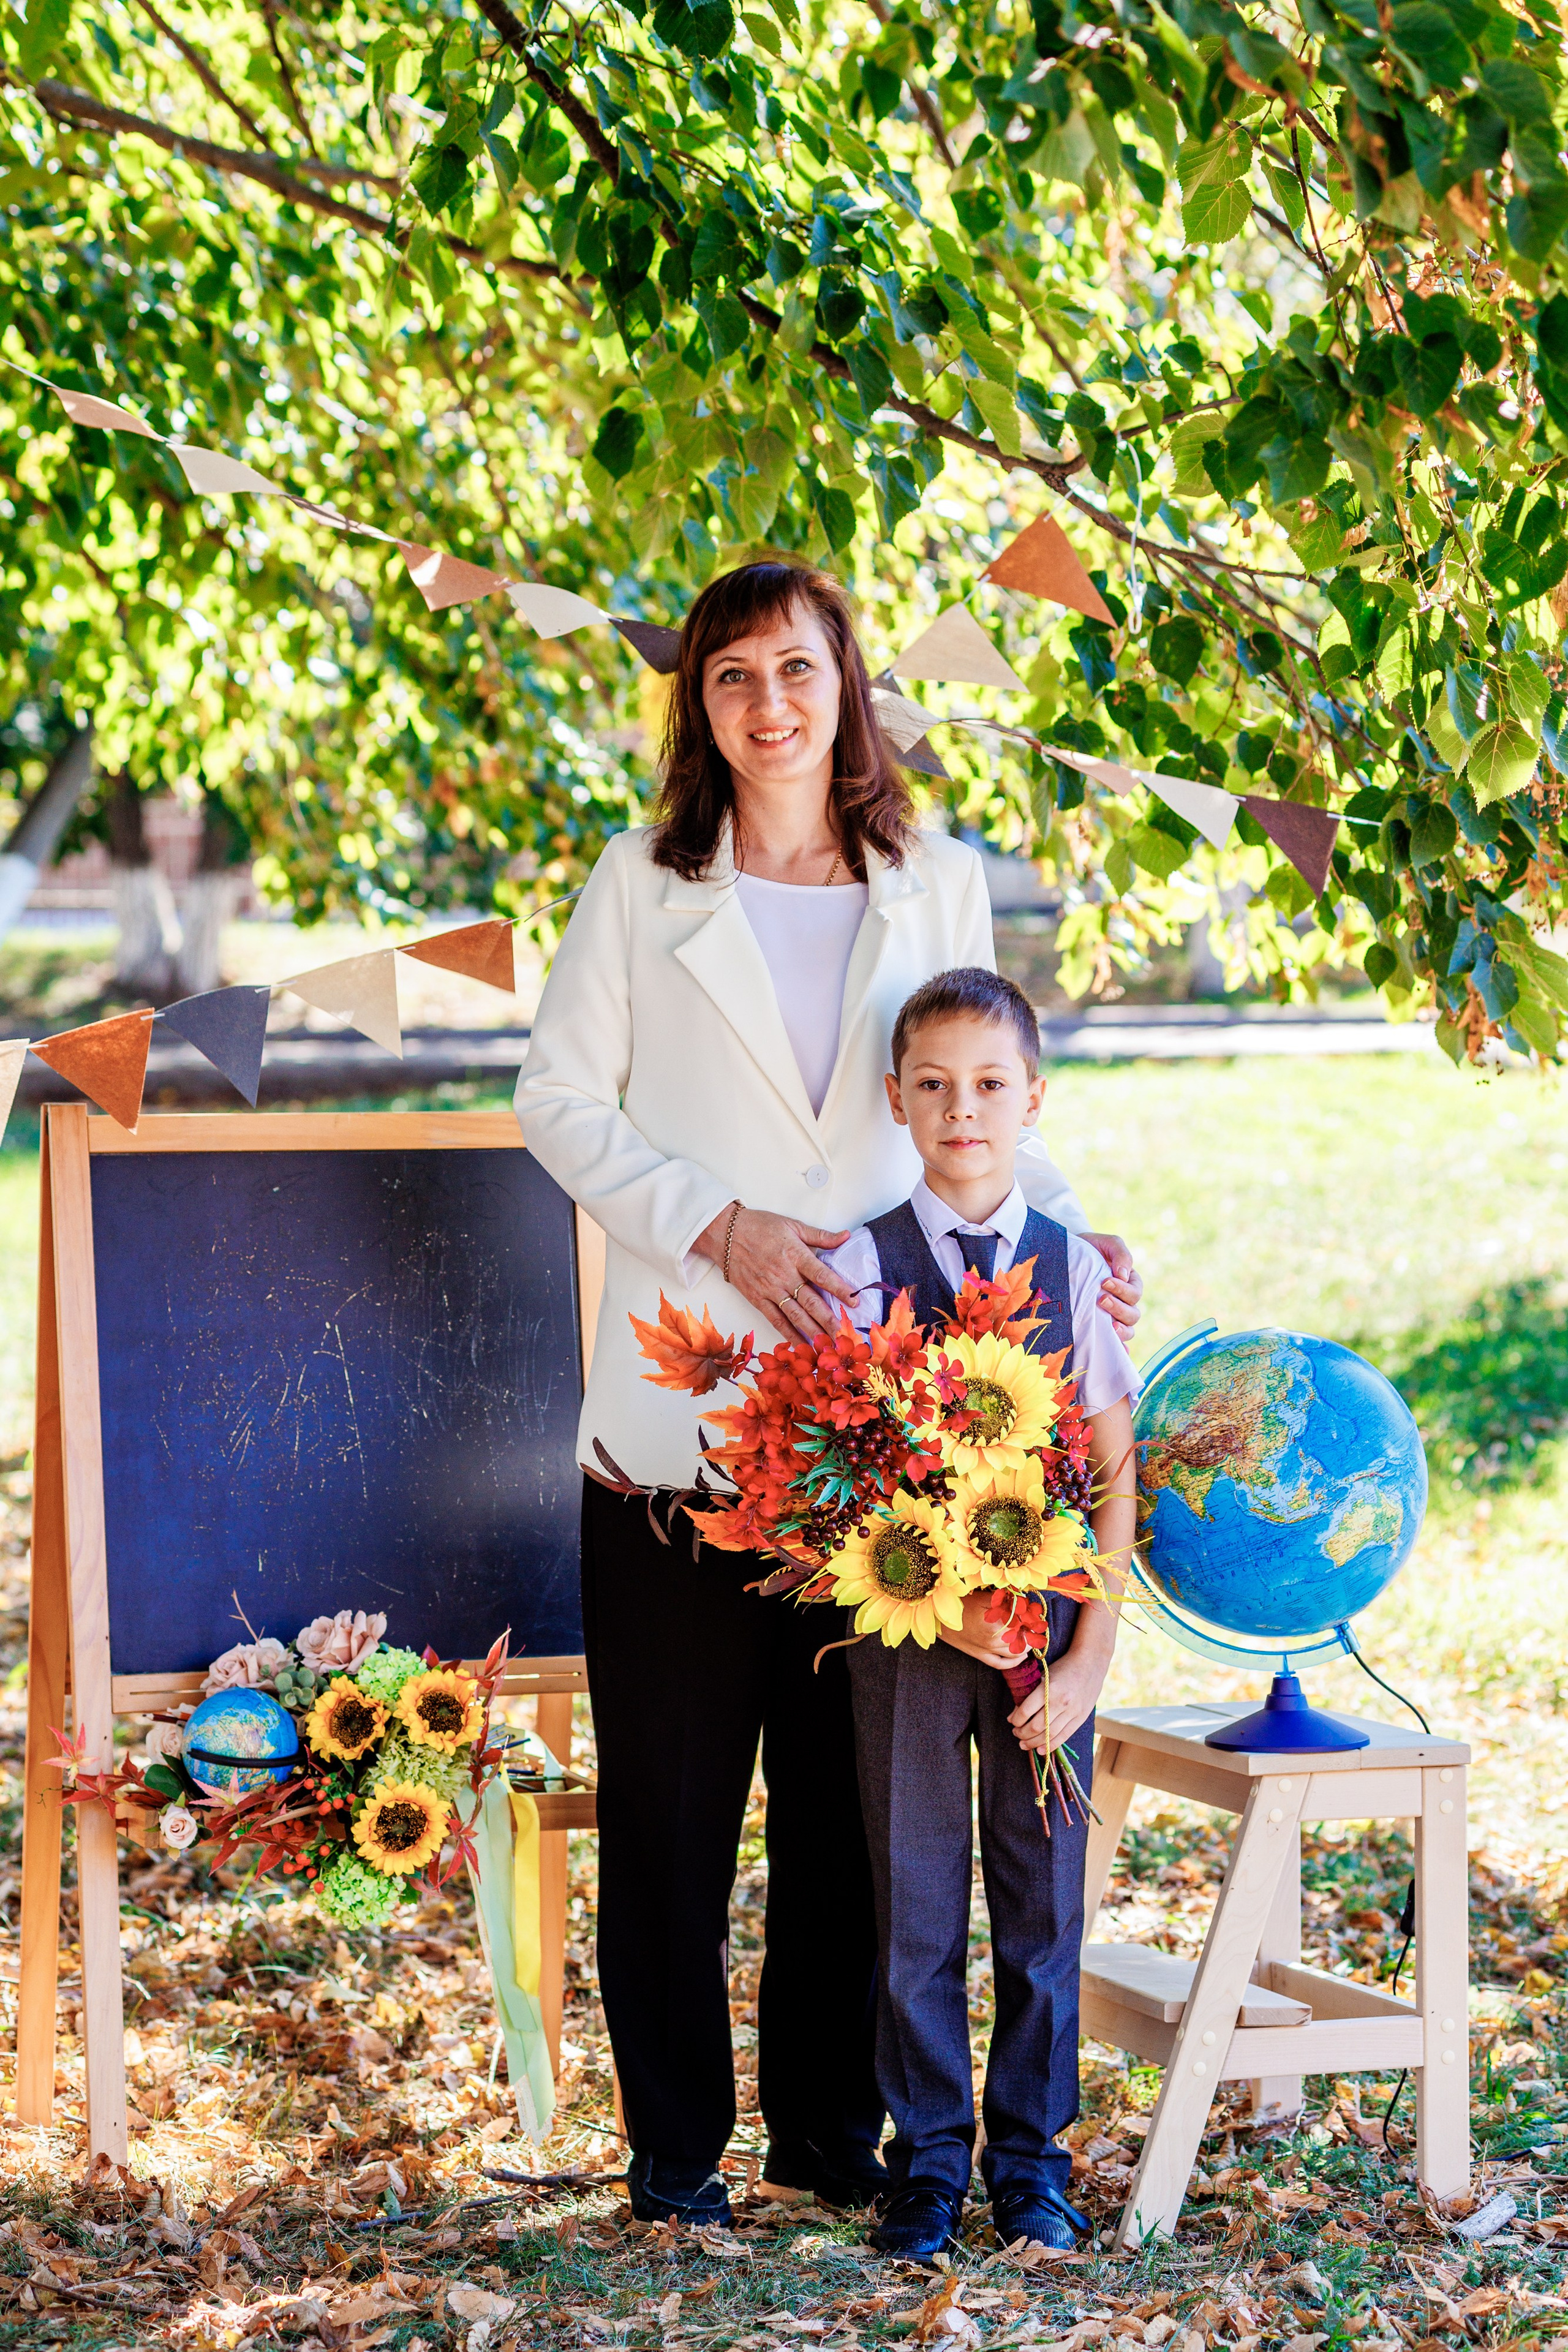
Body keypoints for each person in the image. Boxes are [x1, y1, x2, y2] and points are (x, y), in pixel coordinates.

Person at [514, 559, 1143, 2228]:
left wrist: (1075, 1242)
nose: (767, 704)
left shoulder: (930, 879)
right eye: (730, 678)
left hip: (885, 1447)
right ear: (699, 707)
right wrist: (712, 1222)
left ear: (845, 682)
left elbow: (975, 1086)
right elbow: (556, 1101)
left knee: (856, 1819)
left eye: (795, 669)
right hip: (677, 1426)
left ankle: (824, 2131)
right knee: (669, 1807)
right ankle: (674, 2156)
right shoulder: (643, 884)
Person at [825, 966, 1139, 2259]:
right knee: (908, 1901)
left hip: (1048, 1648)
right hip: (909, 1641)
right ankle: (927, 2165)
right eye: (936, 1086)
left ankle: (1030, 2164)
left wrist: (1090, 1660)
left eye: (990, 1085)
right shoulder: (855, 1265)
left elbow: (1119, 1477)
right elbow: (822, 1481)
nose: (964, 1110)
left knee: (1040, 1904)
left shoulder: (1076, 1271)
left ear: (1032, 1101)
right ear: (896, 1100)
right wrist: (937, 1608)